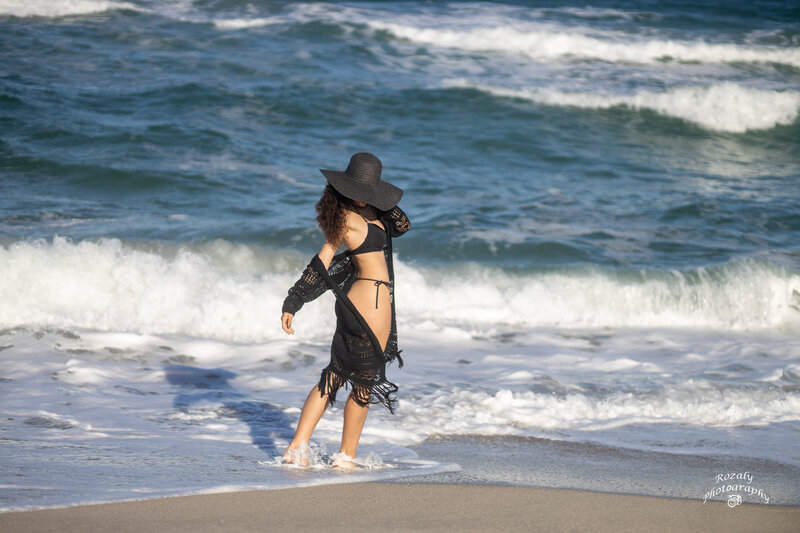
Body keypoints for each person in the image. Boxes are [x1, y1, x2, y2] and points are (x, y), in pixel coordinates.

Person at [280, 152, 411, 467]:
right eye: (360, 191)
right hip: (365, 301)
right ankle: (317, 449)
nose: (363, 197)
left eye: (368, 191)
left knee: (348, 377)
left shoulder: (373, 213)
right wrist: (295, 300)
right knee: (347, 377)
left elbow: (403, 225)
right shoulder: (345, 218)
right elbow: (323, 259)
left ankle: (324, 452)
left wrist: (379, 200)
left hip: (377, 303)